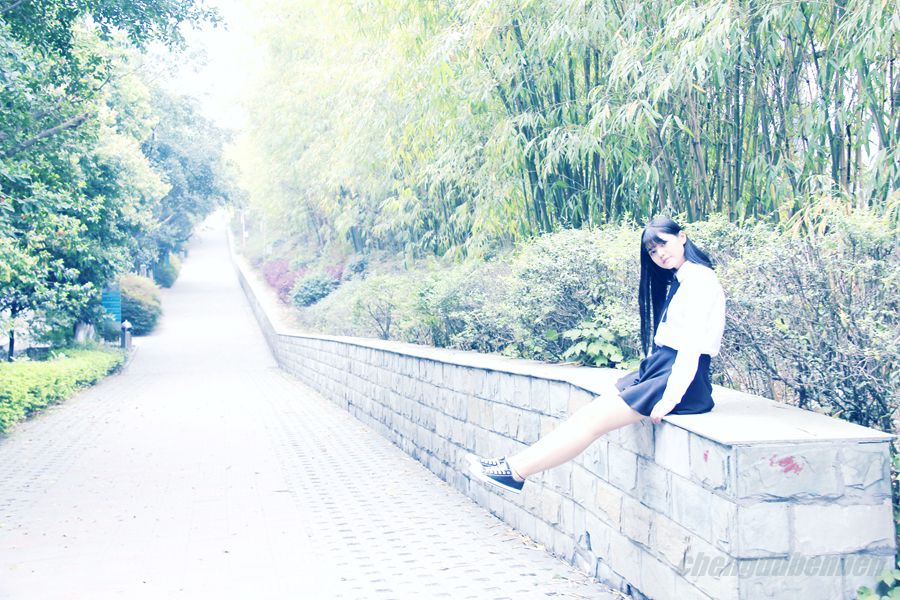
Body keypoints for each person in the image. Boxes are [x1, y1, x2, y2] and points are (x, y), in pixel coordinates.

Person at [466, 216, 726, 493]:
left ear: (682, 236)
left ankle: (516, 472)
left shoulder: (700, 281)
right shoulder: (683, 278)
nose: (659, 254)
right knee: (586, 416)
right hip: (662, 367)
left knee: (591, 423)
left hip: (678, 377)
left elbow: (691, 347)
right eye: (652, 251)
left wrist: (671, 398)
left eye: (663, 244)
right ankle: (512, 465)